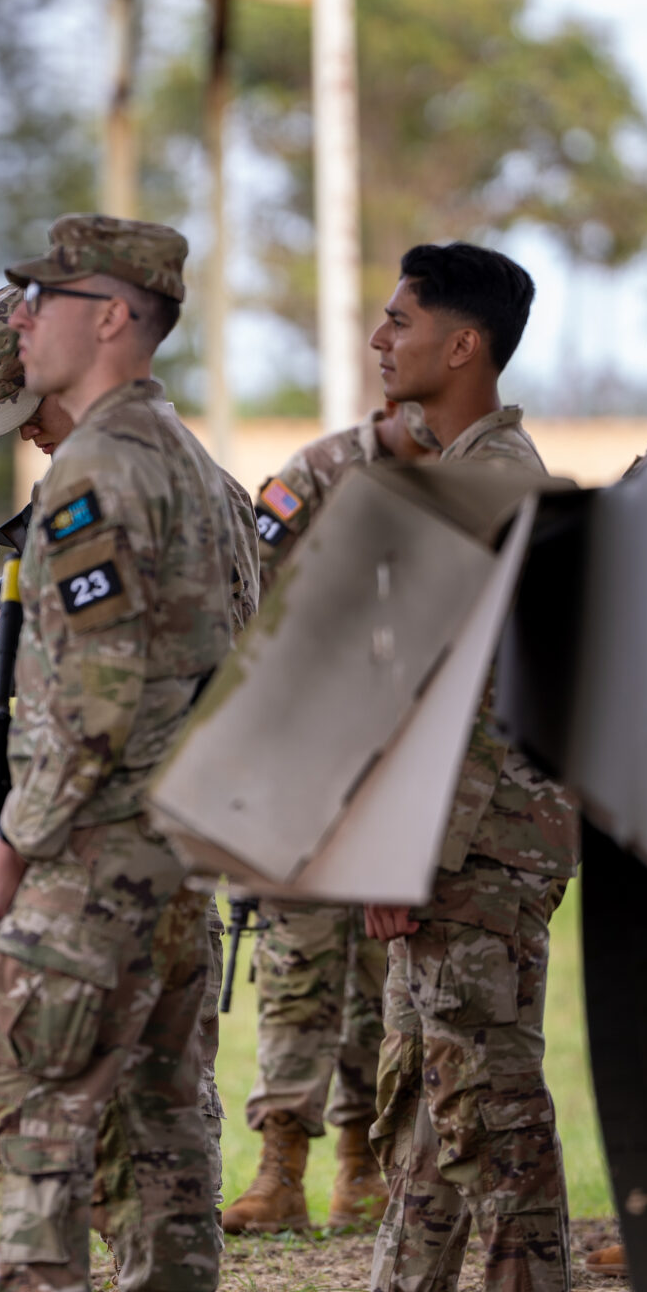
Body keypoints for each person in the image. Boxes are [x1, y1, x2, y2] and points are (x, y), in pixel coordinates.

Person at [253, 242, 582, 1292]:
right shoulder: (450, 473)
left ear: (463, 344)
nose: (378, 340)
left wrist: (403, 853)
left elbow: (462, 710)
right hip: (451, 841)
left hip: (474, 849)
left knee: (488, 1098)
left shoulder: (492, 483)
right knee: (425, 1095)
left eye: (399, 322)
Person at [0, 218, 256, 1292]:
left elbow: (99, 693)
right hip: (180, 849)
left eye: (45, 298)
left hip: (93, 856)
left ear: (113, 317)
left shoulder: (97, 473)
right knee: (165, 1115)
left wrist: (12, 846)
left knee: (17, 1124)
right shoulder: (192, 465)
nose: (23, 318)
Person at [220, 402, 425, 1239]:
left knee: (384, 970)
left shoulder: (467, 470)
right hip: (303, 760)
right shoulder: (319, 473)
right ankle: (281, 1170)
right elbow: (250, 595)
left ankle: (360, 1166)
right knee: (296, 961)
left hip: (402, 759)